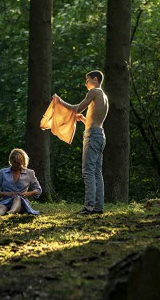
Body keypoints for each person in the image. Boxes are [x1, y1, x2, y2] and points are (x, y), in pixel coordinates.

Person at [55, 70, 109, 215]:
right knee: (97, 172)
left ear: (95, 79)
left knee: (88, 172)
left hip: (92, 136)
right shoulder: (104, 96)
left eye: (87, 80)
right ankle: (98, 208)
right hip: (100, 135)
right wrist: (84, 119)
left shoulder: (94, 92)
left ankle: (88, 207)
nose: (86, 83)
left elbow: (76, 108)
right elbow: (95, 120)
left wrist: (60, 102)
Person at [0, 148, 42, 215]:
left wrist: (28, 194)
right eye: (14, 162)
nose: (16, 165)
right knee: (1, 207)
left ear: (23, 162)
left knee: (17, 198)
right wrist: (7, 194)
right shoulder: (3, 172)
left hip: (22, 201)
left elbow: (38, 190)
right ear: (11, 160)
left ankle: (10, 212)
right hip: (6, 201)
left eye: (18, 163)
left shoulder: (29, 173)